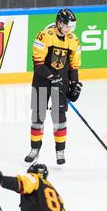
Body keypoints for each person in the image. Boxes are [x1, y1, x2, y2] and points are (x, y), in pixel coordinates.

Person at [25, 9, 83, 165]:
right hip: (41, 81)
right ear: (59, 23)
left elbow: (73, 66)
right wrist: (52, 76)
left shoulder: (73, 40)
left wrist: (74, 83)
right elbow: (38, 64)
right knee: (38, 116)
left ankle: (60, 150)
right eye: (67, 26)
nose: (69, 29)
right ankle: (35, 149)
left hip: (61, 83)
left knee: (59, 116)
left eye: (72, 26)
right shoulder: (44, 36)